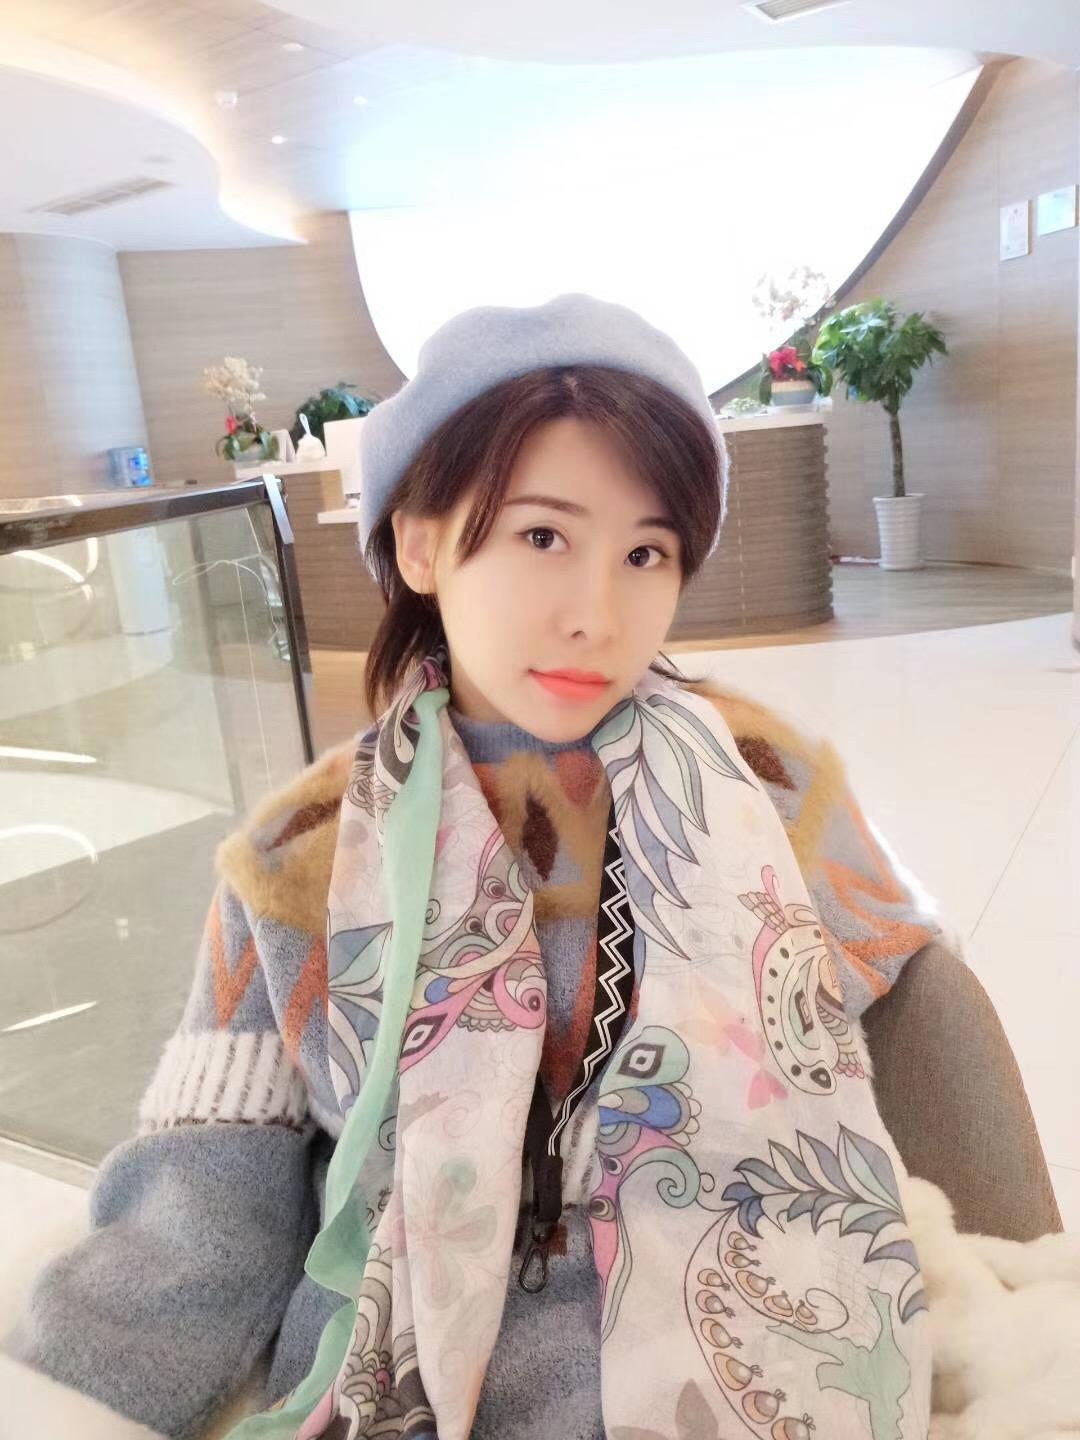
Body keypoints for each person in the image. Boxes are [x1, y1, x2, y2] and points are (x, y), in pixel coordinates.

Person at [3, 294, 940, 1439]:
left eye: (645, 552)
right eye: (543, 536)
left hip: (762, 1361)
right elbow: (201, 1209)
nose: (597, 614)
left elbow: (926, 1052)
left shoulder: (774, 795)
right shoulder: (300, 856)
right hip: (404, 1386)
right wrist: (53, 1400)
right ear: (420, 542)